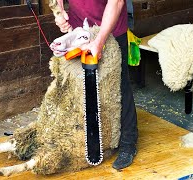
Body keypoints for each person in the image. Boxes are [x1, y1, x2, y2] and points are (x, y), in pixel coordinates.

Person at [54, 0, 138, 170]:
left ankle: (128, 143)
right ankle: (87, 139)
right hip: (81, 29)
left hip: (112, 29)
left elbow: (117, 2)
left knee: (119, 86)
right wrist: (59, 13)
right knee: (81, 85)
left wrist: (99, 41)